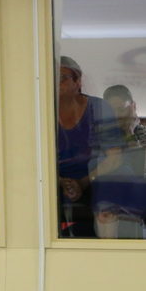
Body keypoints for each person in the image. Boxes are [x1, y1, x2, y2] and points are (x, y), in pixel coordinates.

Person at [57, 56, 123, 238]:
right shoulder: (40, 111)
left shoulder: (99, 108)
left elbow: (114, 157)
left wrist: (83, 182)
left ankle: (108, 260)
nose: (55, 83)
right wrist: (61, 182)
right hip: (54, 181)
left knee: (107, 203)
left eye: (62, 78)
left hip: (95, 178)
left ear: (78, 81)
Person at [103, 85, 146, 178]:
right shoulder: (101, 134)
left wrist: (129, 133)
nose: (116, 115)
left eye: (121, 109)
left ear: (133, 106)